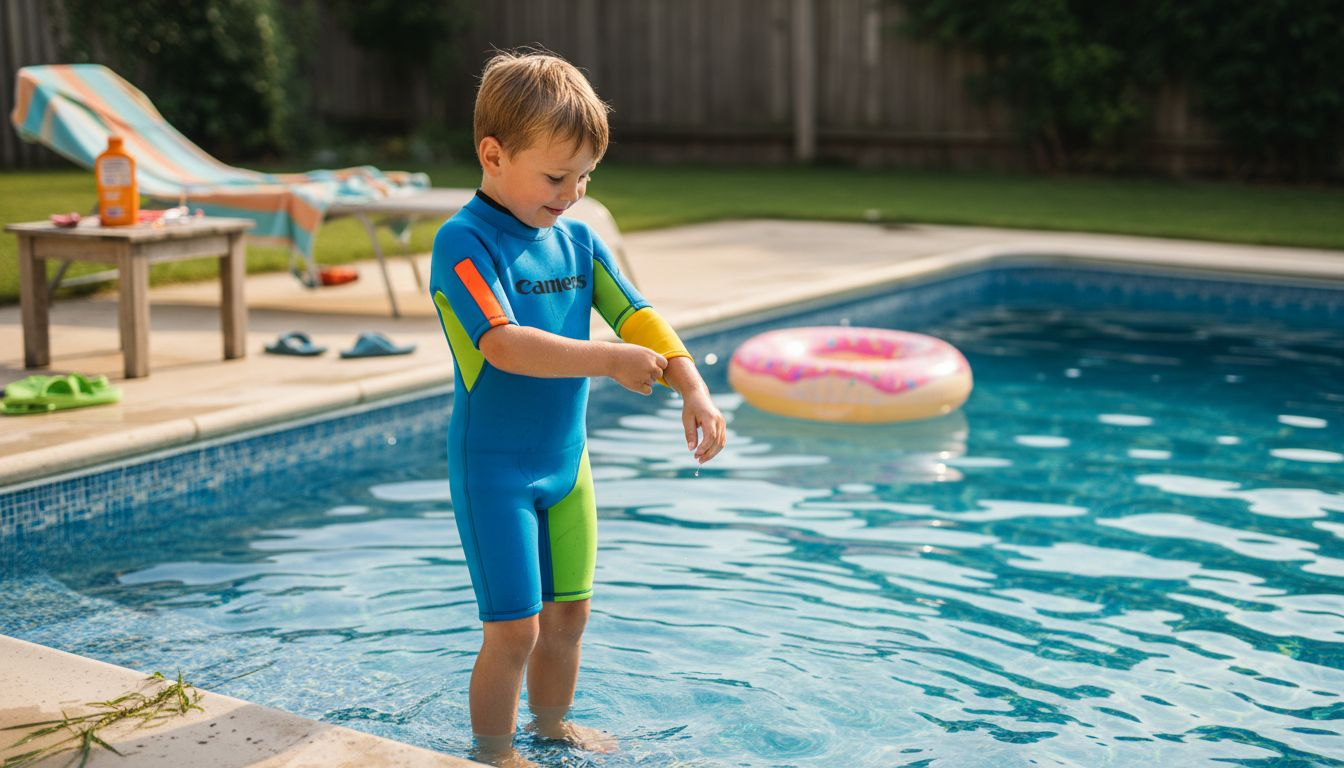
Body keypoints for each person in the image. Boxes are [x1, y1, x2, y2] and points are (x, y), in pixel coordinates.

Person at [428, 49, 726, 766]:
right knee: (515, 631)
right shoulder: (462, 240)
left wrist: (693, 385)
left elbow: (637, 314)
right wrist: (608, 360)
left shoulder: (579, 240)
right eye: (556, 176)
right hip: (495, 471)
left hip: (568, 467)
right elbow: (502, 344)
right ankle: (493, 750)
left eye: (585, 176)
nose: (571, 193)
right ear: (492, 155)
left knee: (569, 618)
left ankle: (551, 725)